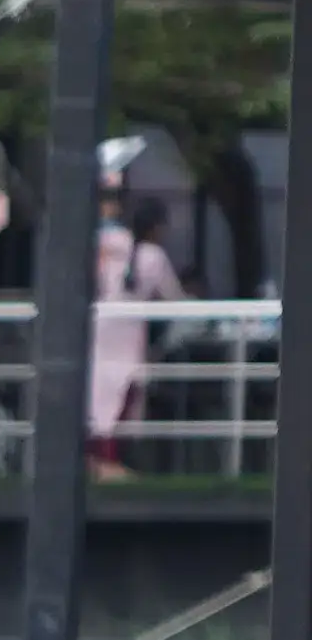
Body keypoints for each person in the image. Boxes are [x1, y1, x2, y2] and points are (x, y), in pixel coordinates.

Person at [92, 186, 183, 471]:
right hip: (128, 334)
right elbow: (174, 298)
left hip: (101, 327)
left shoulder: (111, 242)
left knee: (99, 395)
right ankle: (110, 462)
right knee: (123, 397)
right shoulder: (153, 255)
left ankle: (99, 459)